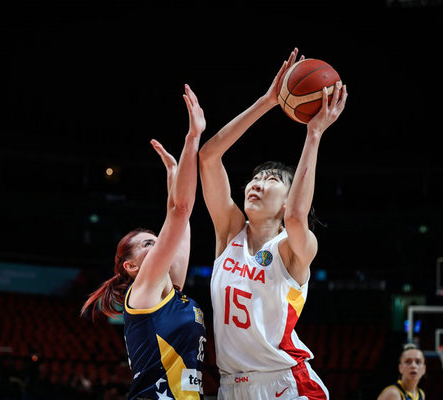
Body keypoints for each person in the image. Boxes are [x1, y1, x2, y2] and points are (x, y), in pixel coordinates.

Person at [198, 47, 347, 400]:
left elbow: (297, 215)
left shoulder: (294, 248)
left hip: (286, 383)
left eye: (271, 180)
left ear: (285, 200)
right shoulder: (229, 232)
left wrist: (314, 134)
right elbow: (208, 157)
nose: (257, 183)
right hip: (231, 386)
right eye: (255, 177)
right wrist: (267, 102)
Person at [81, 84, 207, 400]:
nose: (159, 245)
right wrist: (192, 139)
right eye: (148, 245)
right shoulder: (144, 292)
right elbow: (180, 211)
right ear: (131, 266)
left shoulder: (171, 293)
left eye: (157, 240)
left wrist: (173, 175)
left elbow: (181, 221)